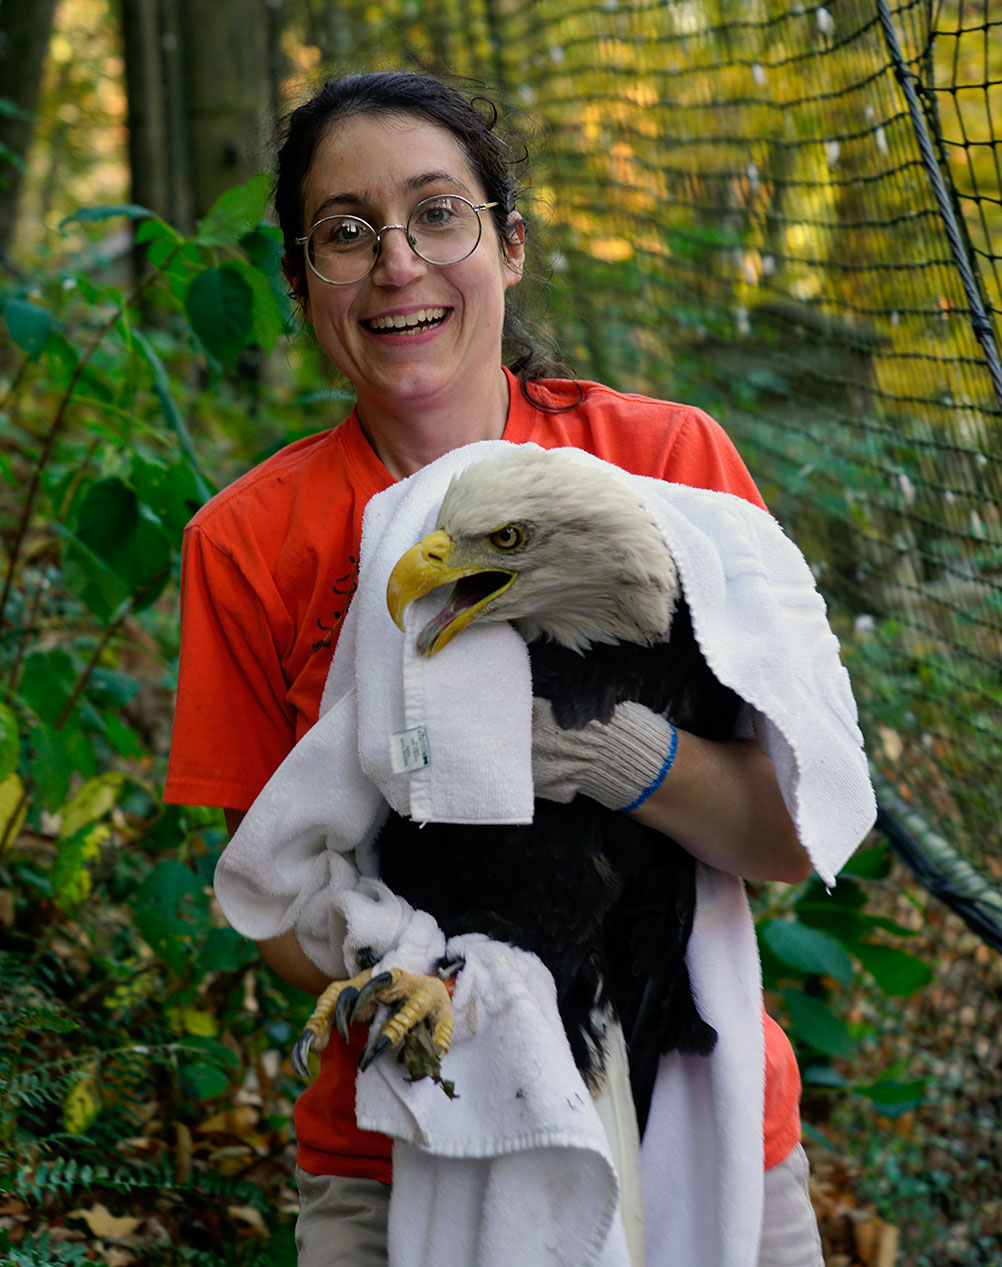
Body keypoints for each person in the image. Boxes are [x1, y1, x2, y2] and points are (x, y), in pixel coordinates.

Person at [165, 70, 827, 1266]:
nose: (396, 263)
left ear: (508, 245)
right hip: (407, 1132)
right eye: (345, 232)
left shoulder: (663, 465)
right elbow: (273, 890)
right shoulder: (248, 540)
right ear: (303, 280)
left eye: (436, 214)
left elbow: (787, 837)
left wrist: (607, 750)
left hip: (694, 1109)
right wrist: (430, 982)